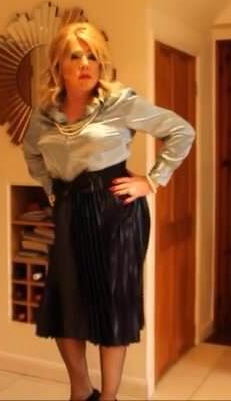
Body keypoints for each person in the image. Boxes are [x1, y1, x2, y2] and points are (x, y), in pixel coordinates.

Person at [22, 22, 195, 401]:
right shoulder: (45, 114)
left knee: (111, 302)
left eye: (93, 57)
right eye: (75, 56)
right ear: (58, 65)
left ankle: (110, 397)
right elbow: (32, 153)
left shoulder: (121, 103)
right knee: (65, 301)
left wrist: (151, 181)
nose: (85, 64)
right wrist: (51, 191)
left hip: (114, 210)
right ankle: (81, 390)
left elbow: (181, 131)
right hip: (70, 209)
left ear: (102, 64)